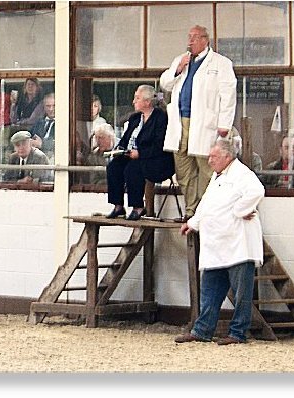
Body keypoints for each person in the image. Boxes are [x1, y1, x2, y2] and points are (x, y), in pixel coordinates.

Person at [174, 139, 265, 345]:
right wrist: (193, 222)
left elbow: (257, 192)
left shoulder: (242, 174)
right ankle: (202, 329)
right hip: (216, 245)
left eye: (214, 156)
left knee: (241, 293)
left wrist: (241, 210)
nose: (209, 160)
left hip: (238, 244)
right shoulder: (217, 176)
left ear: (227, 156)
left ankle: (238, 333)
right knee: (210, 290)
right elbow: (207, 204)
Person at [160, 25, 237, 221]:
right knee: (184, 170)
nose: (190, 41)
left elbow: (228, 96)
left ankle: (206, 212)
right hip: (180, 123)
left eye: (195, 37)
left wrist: (224, 124)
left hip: (205, 123)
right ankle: (190, 211)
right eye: (189, 37)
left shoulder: (220, 63)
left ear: (205, 40)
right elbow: (165, 83)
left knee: (207, 169)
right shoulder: (181, 60)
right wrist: (178, 69)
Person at [105, 85, 175, 220]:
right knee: (114, 166)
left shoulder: (160, 118)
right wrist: (119, 150)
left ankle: (138, 207)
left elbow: (159, 145)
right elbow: (125, 139)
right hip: (131, 155)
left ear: (147, 102)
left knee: (133, 168)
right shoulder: (135, 118)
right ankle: (118, 206)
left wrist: (140, 153)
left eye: (137, 98)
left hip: (155, 159)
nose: (133, 102)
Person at [29, 93, 56, 160]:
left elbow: (61, 143)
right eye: (48, 106)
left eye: (54, 105)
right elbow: (30, 136)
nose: (51, 109)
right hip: (37, 158)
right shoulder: (39, 122)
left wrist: (42, 144)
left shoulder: (63, 123)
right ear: (44, 107)